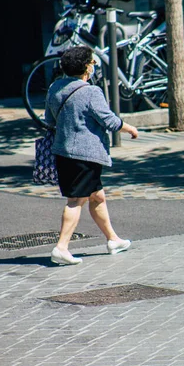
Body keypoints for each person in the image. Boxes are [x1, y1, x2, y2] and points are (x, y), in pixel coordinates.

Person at [43, 46, 139, 265]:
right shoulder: (91, 92)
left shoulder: (54, 88)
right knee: (76, 200)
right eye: (93, 63)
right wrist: (131, 128)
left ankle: (113, 239)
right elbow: (110, 121)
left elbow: (49, 120)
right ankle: (61, 247)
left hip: (63, 152)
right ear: (86, 67)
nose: (94, 66)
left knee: (97, 196)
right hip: (85, 156)